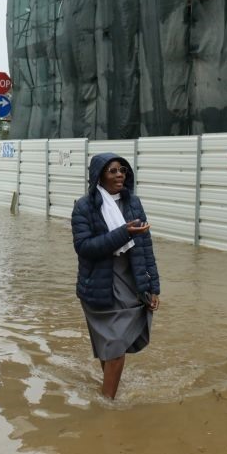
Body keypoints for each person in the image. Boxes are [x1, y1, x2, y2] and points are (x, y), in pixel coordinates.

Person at [71, 152, 160, 399]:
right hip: (99, 285)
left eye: (122, 170)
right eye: (113, 171)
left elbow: (145, 246)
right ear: (99, 176)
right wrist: (123, 233)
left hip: (130, 284)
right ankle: (108, 404)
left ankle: (106, 398)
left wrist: (154, 285)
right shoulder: (84, 206)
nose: (119, 174)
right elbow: (85, 247)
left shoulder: (133, 203)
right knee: (110, 348)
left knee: (115, 348)